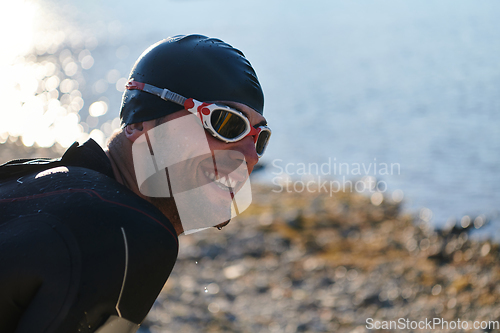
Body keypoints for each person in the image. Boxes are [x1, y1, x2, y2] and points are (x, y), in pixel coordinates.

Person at [0, 34, 270, 333]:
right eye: (226, 123)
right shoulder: (128, 232)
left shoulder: (34, 181)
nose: (249, 156)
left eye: (260, 138)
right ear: (140, 122)